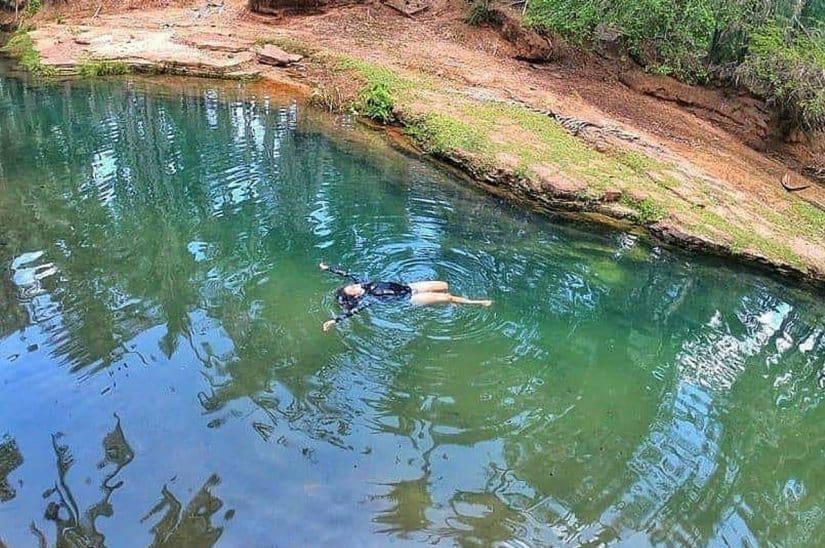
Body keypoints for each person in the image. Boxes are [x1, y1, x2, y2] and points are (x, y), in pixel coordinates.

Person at [319, 262, 492, 331]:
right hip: (410, 299)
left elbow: (346, 274)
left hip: (411, 287)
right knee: (448, 297)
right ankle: (478, 303)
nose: (355, 286)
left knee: (444, 286)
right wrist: (334, 321)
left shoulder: (363, 282)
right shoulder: (369, 300)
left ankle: (450, 303)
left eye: (352, 286)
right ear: (355, 296)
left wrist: (328, 269)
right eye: (352, 289)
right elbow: (352, 312)